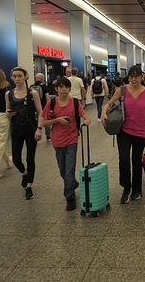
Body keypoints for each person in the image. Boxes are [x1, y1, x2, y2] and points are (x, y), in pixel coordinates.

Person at [101, 65, 145, 203]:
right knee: (124, 160)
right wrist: (103, 112)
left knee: (136, 160)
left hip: (141, 131)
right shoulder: (123, 90)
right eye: (131, 76)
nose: (134, 79)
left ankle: (137, 190)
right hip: (124, 130)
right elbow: (109, 103)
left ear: (141, 77)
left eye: (136, 76)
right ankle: (126, 187)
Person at [40, 77, 91, 211]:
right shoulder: (51, 104)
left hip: (72, 139)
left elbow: (84, 115)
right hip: (57, 140)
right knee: (63, 170)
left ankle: (70, 197)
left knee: (69, 169)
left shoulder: (74, 102)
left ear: (69, 89)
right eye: (61, 87)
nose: (64, 89)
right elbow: (43, 122)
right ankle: (72, 183)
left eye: (66, 87)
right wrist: (57, 120)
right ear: (56, 89)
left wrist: (86, 121)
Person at [6, 67, 43, 200]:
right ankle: (24, 172)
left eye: (19, 76)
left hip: (30, 129)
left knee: (30, 158)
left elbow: (40, 112)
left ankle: (29, 186)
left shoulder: (32, 93)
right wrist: (9, 114)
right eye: (14, 76)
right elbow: (8, 111)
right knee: (16, 159)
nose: (17, 79)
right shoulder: (9, 94)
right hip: (16, 129)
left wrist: (39, 128)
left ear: (25, 77)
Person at [34, 73, 51, 140]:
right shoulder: (44, 86)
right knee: (46, 121)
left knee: (36, 120)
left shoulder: (31, 86)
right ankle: (48, 135)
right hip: (43, 107)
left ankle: (35, 133)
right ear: (42, 79)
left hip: (34, 107)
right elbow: (47, 97)